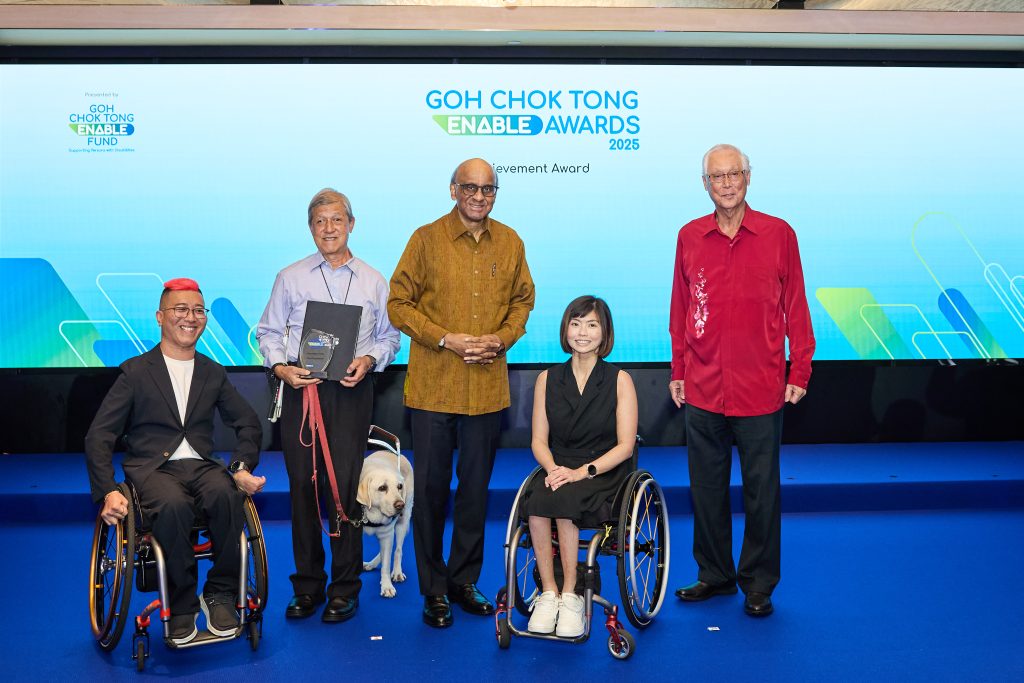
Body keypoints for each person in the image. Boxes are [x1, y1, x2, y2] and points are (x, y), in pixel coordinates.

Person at [388, 158, 535, 628]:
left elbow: (523, 300)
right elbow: (397, 303)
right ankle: (433, 590)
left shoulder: (510, 241)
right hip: (433, 389)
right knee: (430, 492)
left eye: (488, 189)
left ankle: (462, 580)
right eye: (470, 187)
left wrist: (502, 339)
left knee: (474, 492)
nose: (479, 196)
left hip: (486, 391)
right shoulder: (425, 239)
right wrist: (445, 338)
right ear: (453, 189)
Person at [669, 143, 815, 617]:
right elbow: (681, 310)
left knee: (761, 492)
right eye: (717, 176)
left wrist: (802, 367)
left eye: (734, 174)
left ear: (749, 178)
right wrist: (679, 371)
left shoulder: (778, 234)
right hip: (704, 386)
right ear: (705, 184)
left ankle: (758, 583)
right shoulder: (690, 237)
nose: (727, 183)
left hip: (761, 387)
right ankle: (714, 573)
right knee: (706, 487)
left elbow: (796, 305)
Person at [85, 277, 265, 645]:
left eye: (198, 310)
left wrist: (241, 466)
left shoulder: (212, 372)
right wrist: (106, 491)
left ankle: (220, 593)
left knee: (226, 494)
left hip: (202, 466)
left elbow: (247, 422)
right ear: (160, 316)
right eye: (181, 309)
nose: (191, 317)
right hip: (153, 469)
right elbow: (98, 436)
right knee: (173, 504)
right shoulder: (135, 372)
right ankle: (182, 606)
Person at [257, 188, 400, 624]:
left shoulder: (375, 279)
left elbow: (390, 338)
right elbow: (268, 332)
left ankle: (345, 586)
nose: (328, 229)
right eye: (320, 221)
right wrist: (281, 367)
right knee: (302, 486)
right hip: (302, 389)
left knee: (346, 486)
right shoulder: (290, 276)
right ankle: (307, 585)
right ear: (310, 228)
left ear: (351, 224)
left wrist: (370, 360)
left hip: (352, 390)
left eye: (337, 220)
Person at [520, 296, 638, 638]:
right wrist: (554, 467)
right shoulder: (548, 378)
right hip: (558, 462)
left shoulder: (620, 380)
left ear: (604, 333)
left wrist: (583, 471)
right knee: (540, 495)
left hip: (601, 468)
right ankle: (547, 593)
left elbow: (625, 446)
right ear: (565, 329)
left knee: (566, 497)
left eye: (591, 324)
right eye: (575, 323)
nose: (582, 332)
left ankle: (570, 594)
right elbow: (538, 441)